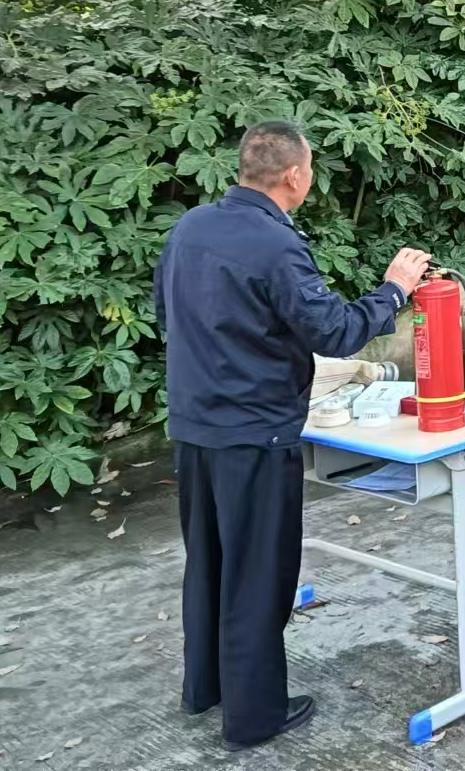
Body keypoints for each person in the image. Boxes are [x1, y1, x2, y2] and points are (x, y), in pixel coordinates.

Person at [156, 121, 432, 751]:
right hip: (255, 433)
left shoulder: (191, 226)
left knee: (210, 562)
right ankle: (254, 717)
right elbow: (334, 331)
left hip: (195, 427)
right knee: (258, 573)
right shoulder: (275, 243)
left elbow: (166, 313)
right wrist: (394, 290)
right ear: (295, 175)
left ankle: (206, 689)